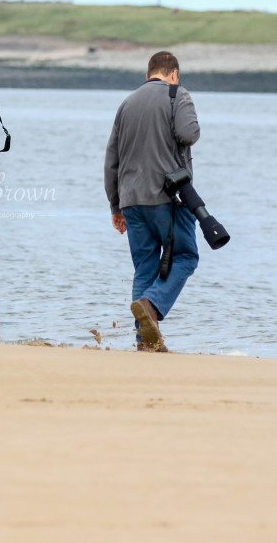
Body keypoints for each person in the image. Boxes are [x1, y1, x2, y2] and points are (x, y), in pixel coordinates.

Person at [104, 51, 201, 352]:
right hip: (169, 197)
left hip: (132, 201)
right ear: (173, 74)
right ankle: (152, 304)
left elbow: (111, 160)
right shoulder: (178, 94)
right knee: (186, 256)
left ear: (148, 74)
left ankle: (145, 342)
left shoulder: (126, 103)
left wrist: (115, 207)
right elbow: (190, 133)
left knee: (145, 267)